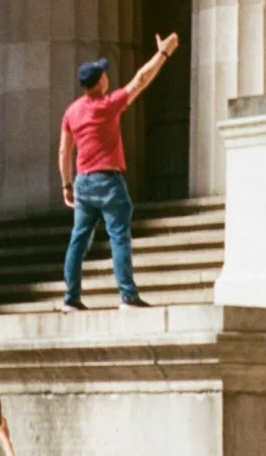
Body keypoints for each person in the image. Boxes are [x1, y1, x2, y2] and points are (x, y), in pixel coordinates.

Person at [57, 36, 179, 310]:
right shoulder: (108, 105)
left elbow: (64, 152)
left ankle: (71, 298)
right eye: (104, 73)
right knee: (119, 237)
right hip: (109, 182)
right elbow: (140, 80)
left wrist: (67, 185)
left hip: (83, 183)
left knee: (78, 240)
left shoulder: (71, 112)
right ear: (100, 82)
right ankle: (127, 296)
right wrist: (162, 54)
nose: (107, 76)